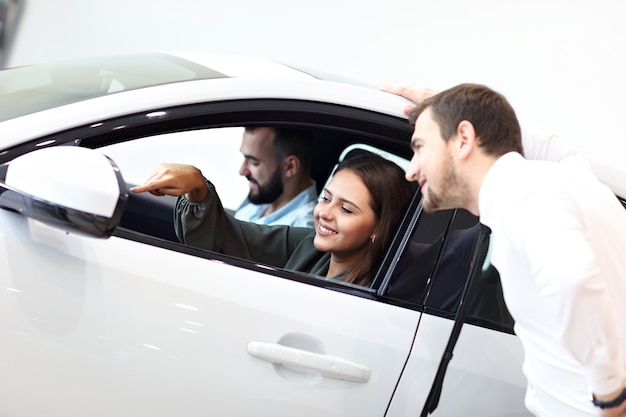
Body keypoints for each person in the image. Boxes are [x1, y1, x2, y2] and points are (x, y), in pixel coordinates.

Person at [386, 83, 626, 417]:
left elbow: (573, 279)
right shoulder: (572, 177)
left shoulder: (519, 196)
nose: (411, 170)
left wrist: (611, 394)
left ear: (464, 139)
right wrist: (447, 107)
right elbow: (551, 147)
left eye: (420, 147)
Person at [130, 150, 413, 287]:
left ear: (379, 226)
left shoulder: (370, 291)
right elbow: (224, 238)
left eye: (346, 209)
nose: (324, 212)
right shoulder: (308, 246)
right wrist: (198, 188)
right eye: (326, 198)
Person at [233, 126, 317, 227]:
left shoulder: (302, 231)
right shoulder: (263, 197)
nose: (242, 171)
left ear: (290, 166)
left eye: (253, 162)